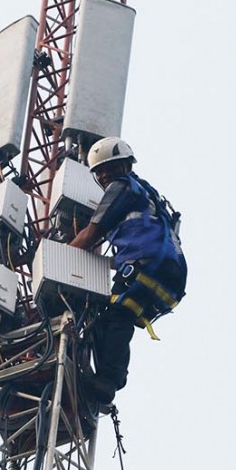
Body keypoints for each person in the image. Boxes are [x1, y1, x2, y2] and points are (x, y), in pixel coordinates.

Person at [68, 137, 187, 404]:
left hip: (146, 267)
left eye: (110, 167)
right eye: (99, 171)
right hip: (169, 275)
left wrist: (55, 256)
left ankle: (106, 383)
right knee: (104, 317)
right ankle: (103, 381)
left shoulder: (121, 188)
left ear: (126, 166)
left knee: (114, 318)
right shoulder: (146, 193)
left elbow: (91, 234)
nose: (104, 175)